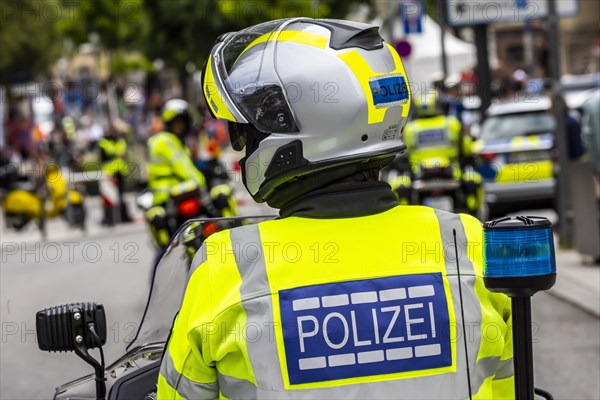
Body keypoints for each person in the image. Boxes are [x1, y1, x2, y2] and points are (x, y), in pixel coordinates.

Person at [157, 18, 513, 399]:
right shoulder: (469, 241)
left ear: (292, 131)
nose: (243, 144)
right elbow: (510, 385)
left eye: (250, 130)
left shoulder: (229, 266)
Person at [391, 91, 482, 215]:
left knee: (399, 185)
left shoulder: (410, 128)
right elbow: (465, 147)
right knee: (474, 180)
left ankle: (405, 217)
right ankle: (474, 214)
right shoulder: (451, 123)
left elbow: (403, 152)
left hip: (419, 174)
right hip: (452, 172)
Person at [145, 99, 208, 247]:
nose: (180, 126)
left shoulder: (163, 140)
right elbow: (183, 167)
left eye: (182, 122)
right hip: (172, 196)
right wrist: (203, 184)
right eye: (176, 123)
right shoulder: (167, 140)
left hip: (164, 197)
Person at [97, 124, 131, 225]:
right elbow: (102, 157)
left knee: (121, 196)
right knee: (108, 197)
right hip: (109, 173)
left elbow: (125, 154)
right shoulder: (104, 142)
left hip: (120, 171)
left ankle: (123, 217)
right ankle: (109, 219)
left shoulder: (121, 141)